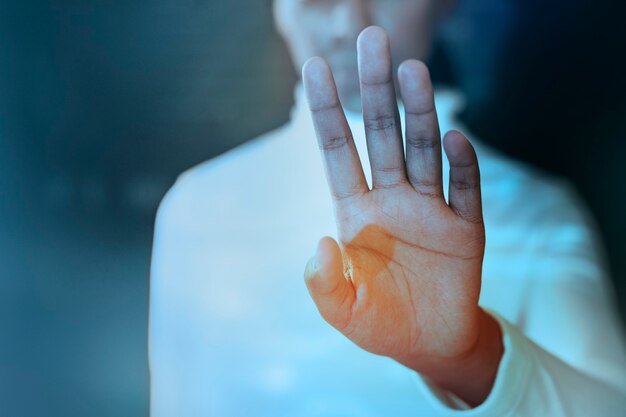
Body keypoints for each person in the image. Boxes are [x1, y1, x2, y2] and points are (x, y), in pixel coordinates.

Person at [149, 1, 626, 415]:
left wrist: (468, 355)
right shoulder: (196, 209)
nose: (351, 24)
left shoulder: (537, 217)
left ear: (446, 2)